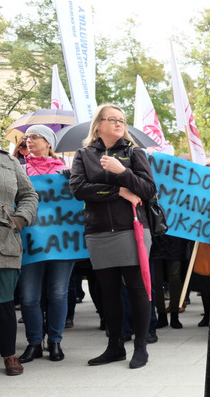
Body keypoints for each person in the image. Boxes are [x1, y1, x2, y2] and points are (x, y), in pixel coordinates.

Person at [69, 104, 157, 368]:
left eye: (122, 120)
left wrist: (124, 173)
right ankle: (115, 346)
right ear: (98, 124)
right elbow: (79, 189)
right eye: (112, 119)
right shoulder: (84, 155)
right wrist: (117, 191)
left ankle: (140, 347)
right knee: (108, 291)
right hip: (97, 230)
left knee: (136, 288)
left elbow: (149, 190)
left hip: (132, 229)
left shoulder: (134, 152)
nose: (119, 124)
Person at [16, 126, 73, 364]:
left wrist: (75, 181)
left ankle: (55, 341)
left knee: (58, 294)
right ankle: (33, 343)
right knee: (28, 298)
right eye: (26, 137)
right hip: (30, 242)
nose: (29, 141)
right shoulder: (18, 170)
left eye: (35, 137)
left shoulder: (66, 172)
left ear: (48, 143)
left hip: (61, 243)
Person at [0, 118, 39, 375]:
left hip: (1, 241)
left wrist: (20, 219)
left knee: (2, 303)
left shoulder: (7, 161)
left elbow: (29, 194)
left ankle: (9, 355)